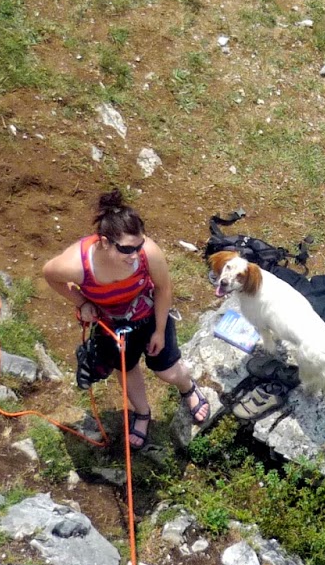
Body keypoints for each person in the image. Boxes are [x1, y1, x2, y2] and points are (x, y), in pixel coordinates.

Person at [42, 190, 211, 449]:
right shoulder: (77, 265)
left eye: (138, 245)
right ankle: (142, 412)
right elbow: (50, 274)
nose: (134, 254)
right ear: (104, 242)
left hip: (150, 315)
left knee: (166, 370)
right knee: (126, 368)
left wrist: (159, 331)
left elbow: (164, 289)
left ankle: (188, 387)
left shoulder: (148, 253)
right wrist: (82, 302)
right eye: (126, 249)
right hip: (113, 325)